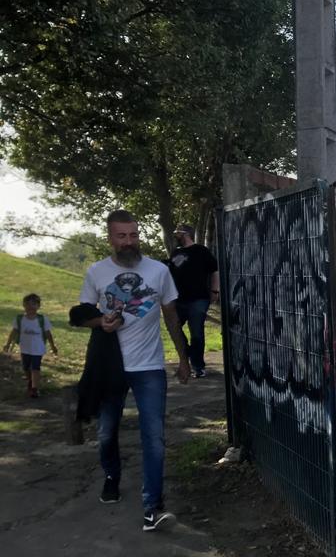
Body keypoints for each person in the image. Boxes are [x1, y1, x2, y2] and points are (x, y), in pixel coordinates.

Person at [77, 209, 191, 532]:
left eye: (134, 235)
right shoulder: (97, 272)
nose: (129, 242)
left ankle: (152, 507)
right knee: (106, 432)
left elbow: (171, 316)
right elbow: (82, 314)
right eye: (122, 236)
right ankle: (111, 475)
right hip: (111, 367)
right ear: (110, 238)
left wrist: (183, 358)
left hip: (149, 366)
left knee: (154, 437)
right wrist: (101, 322)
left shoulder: (159, 271)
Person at [165, 223, 219, 378]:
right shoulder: (176, 252)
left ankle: (198, 367)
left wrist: (215, 290)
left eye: (178, 233)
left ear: (186, 234)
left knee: (197, 333)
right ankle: (188, 352)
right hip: (178, 299)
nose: (175, 236)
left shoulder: (201, 251)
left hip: (198, 298)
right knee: (174, 327)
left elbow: (214, 271)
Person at [3, 293, 58, 398]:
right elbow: (14, 332)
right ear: (23, 305)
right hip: (25, 348)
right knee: (26, 367)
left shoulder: (42, 319)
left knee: (35, 368)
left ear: (38, 306)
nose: (30, 307)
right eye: (27, 304)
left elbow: (48, 333)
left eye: (33, 304)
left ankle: (34, 388)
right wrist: (8, 344)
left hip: (38, 349)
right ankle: (30, 381)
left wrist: (53, 346)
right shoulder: (20, 319)